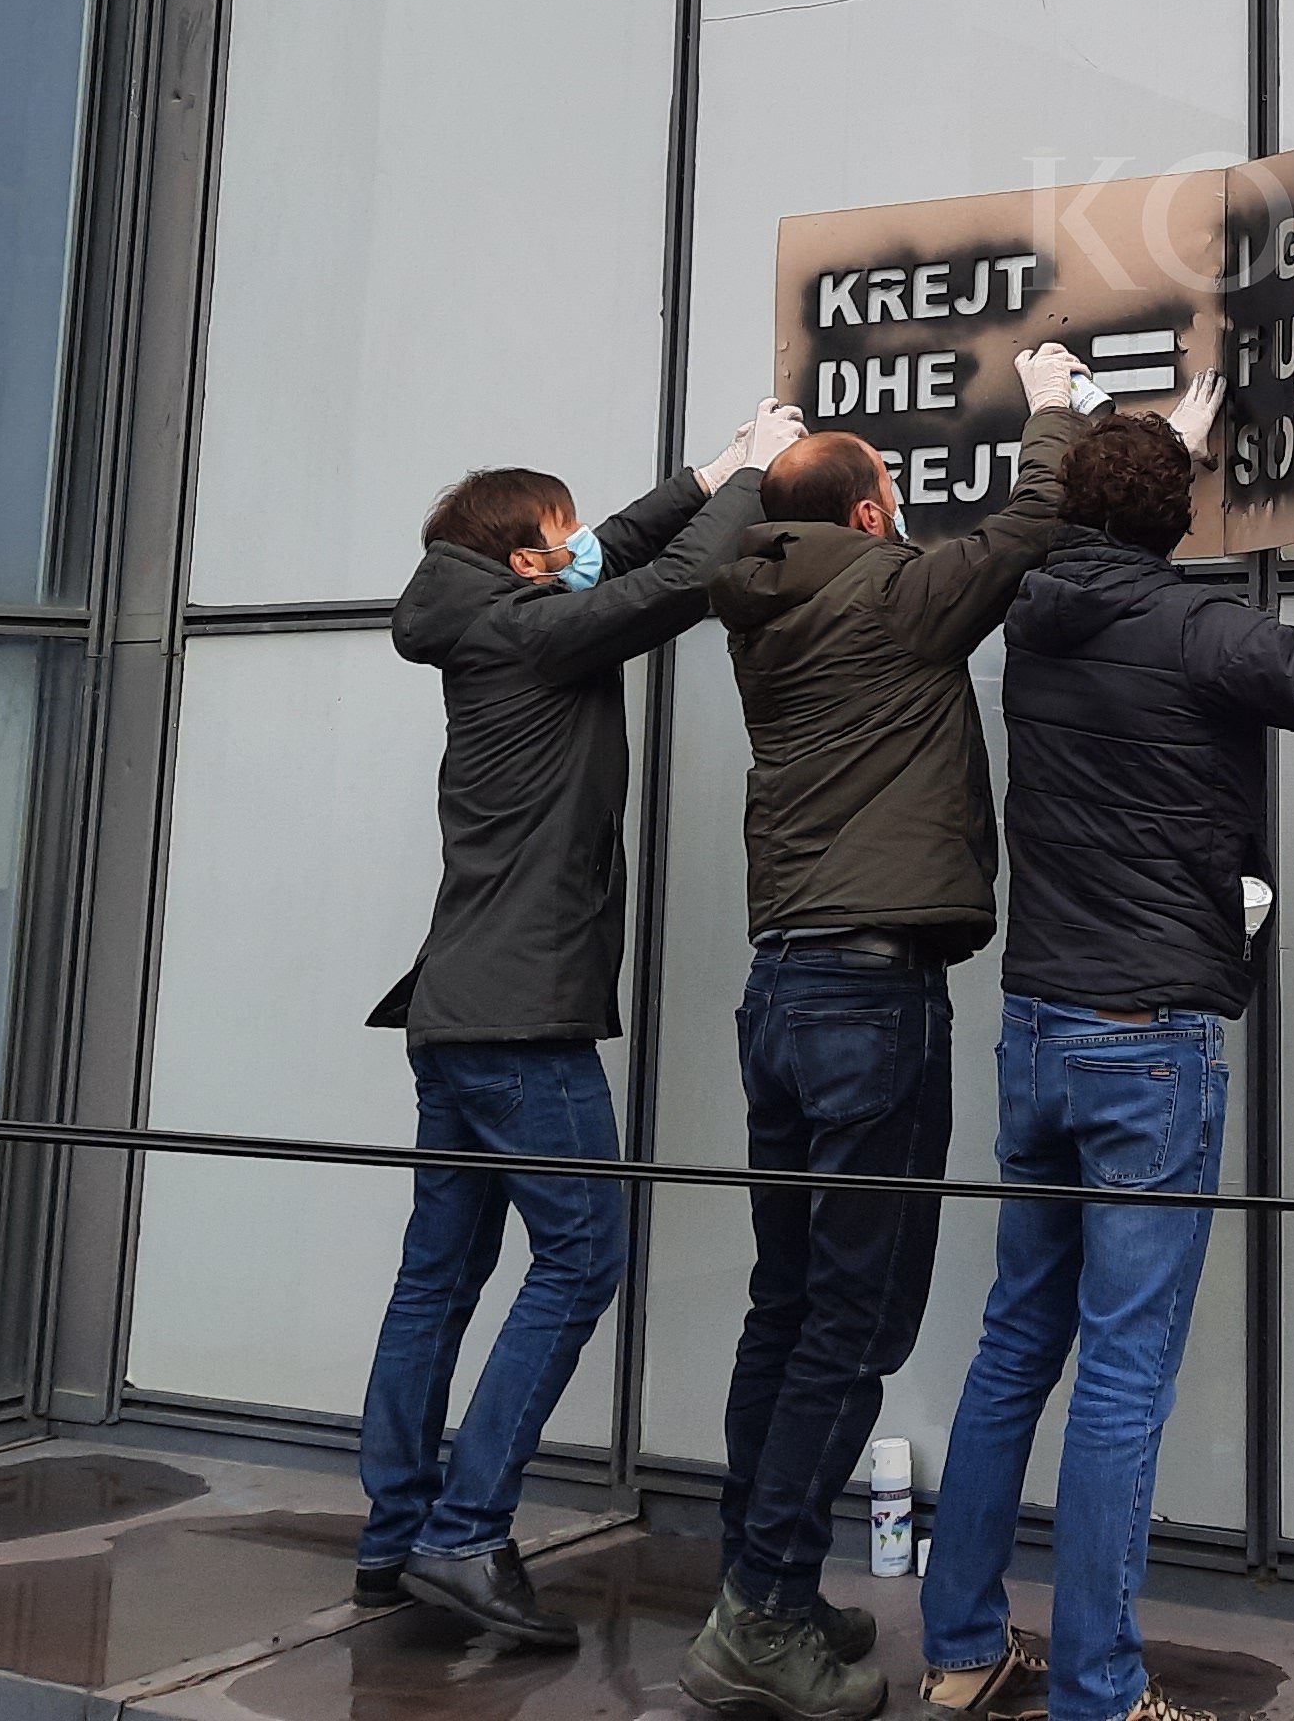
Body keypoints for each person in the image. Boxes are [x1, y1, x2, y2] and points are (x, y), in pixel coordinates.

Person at [922, 391, 1294, 1721]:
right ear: (1183, 517)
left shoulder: (1033, 617)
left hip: (1039, 1024)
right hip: (1147, 1042)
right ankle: (1099, 1691)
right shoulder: (1199, 629)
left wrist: (1156, 453)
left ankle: (961, 1650)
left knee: (1013, 1348)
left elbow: (1101, 540)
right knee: (1123, 1371)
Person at [685, 345, 1090, 1721]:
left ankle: (759, 1588)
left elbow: (741, 536)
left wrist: (741, 471)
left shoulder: (756, 602)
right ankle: (762, 1617)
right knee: (852, 1326)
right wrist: (1051, 407)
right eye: (895, 498)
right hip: (870, 1001)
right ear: (868, 514)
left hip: (784, 992)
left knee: (787, 1304)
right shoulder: (891, 592)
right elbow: (1032, 524)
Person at [362, 400, 805, 1645]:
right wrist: (761, 478)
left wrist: (710, 471)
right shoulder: (531, 634)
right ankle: (465, 1536)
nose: (576, 549)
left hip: (456, 1012)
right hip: (521, 1020)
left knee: (437, 1277)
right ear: (522, 560)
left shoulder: (492, 615)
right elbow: (681, 582)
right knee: (580, 1258)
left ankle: (395, 1535)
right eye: (554, 538)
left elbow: (612, 548)